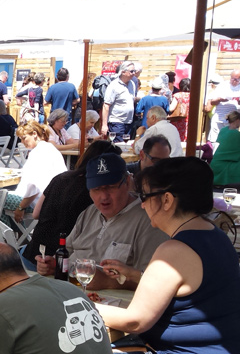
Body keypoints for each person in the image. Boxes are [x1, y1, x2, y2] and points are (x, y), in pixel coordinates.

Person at [96, 157, 240, 354]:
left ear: (166, 200)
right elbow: (192, 287)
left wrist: (73, 303)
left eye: (144, 197)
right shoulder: (215, 234)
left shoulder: (175, 248)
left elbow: (135, 320)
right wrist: (137, 275)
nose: (141, 206)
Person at [35, 153, 169, 290]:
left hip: (111, 304)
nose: (103, 197)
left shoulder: (148, 220)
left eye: (111, 187)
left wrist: (109, 282)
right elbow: (66, 252)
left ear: (128, 182)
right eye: (96, 189)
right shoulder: (89, 212)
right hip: (70, 291)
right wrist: (53, 265)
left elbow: (155, 281)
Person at [21, 140, 122, 270]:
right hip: (58, 263)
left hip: (32, 254)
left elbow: (36, 213)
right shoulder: (97, 195)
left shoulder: (60, 178)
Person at [10, 122, 66, 224]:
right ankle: (19, 233)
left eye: (24, 138)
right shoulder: (51, 148)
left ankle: (7, 235)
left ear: (34, 134)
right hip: (57, 199)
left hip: (41, 202)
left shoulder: (37, 153)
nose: (22, 142)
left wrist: (21, 207)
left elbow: (34, 187)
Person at [101, 61, 136, 142]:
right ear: (123, 72)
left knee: (126, 146)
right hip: (116, 122)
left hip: (129, 122)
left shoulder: (132, 84)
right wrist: (104, 125)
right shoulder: (114, 85)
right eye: (131, 71)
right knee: (118, 146)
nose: (134, 73)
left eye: (134, 71)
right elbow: (106, 105)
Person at [207, 69, 240, 141]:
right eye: (232, 78)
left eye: (236, 79)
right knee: (215, 140)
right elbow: (212, 102)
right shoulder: (222, 86)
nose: (233, 81)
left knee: (230, 141)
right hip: (219, 118)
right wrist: (219, 99)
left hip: (233, 120)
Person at [210, 110, 240, 187]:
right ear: (237, 120)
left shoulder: (223, 130)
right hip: (225, 163)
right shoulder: (236, 134)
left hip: (215, 162)